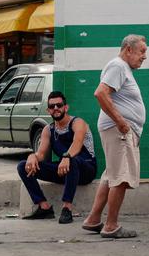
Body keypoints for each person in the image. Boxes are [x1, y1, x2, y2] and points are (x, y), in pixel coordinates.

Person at [82, 34, 147, 239]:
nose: (144, 57)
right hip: (117, 130)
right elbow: (101, 93)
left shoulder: (122, 68)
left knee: (111, 175)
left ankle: (93, 219)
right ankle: (111, 225)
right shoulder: (118, 66)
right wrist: (121, 122)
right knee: (120, 178)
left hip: (118, 129)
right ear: (128, 49)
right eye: (142, 51)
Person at [19, 91, 97, 224]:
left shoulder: (78, 123)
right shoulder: (48, 130)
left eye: (59, 105)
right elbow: (41, 154)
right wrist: (33, 156)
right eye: (52, 106)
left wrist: (67, 157)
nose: (56, 108)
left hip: (85, 168)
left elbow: (77, 145)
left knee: (72, 160)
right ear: (48, 110)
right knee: (22, 166)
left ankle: (67, 208)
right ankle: (44, 207)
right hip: (64, 169)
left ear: (65, 107)